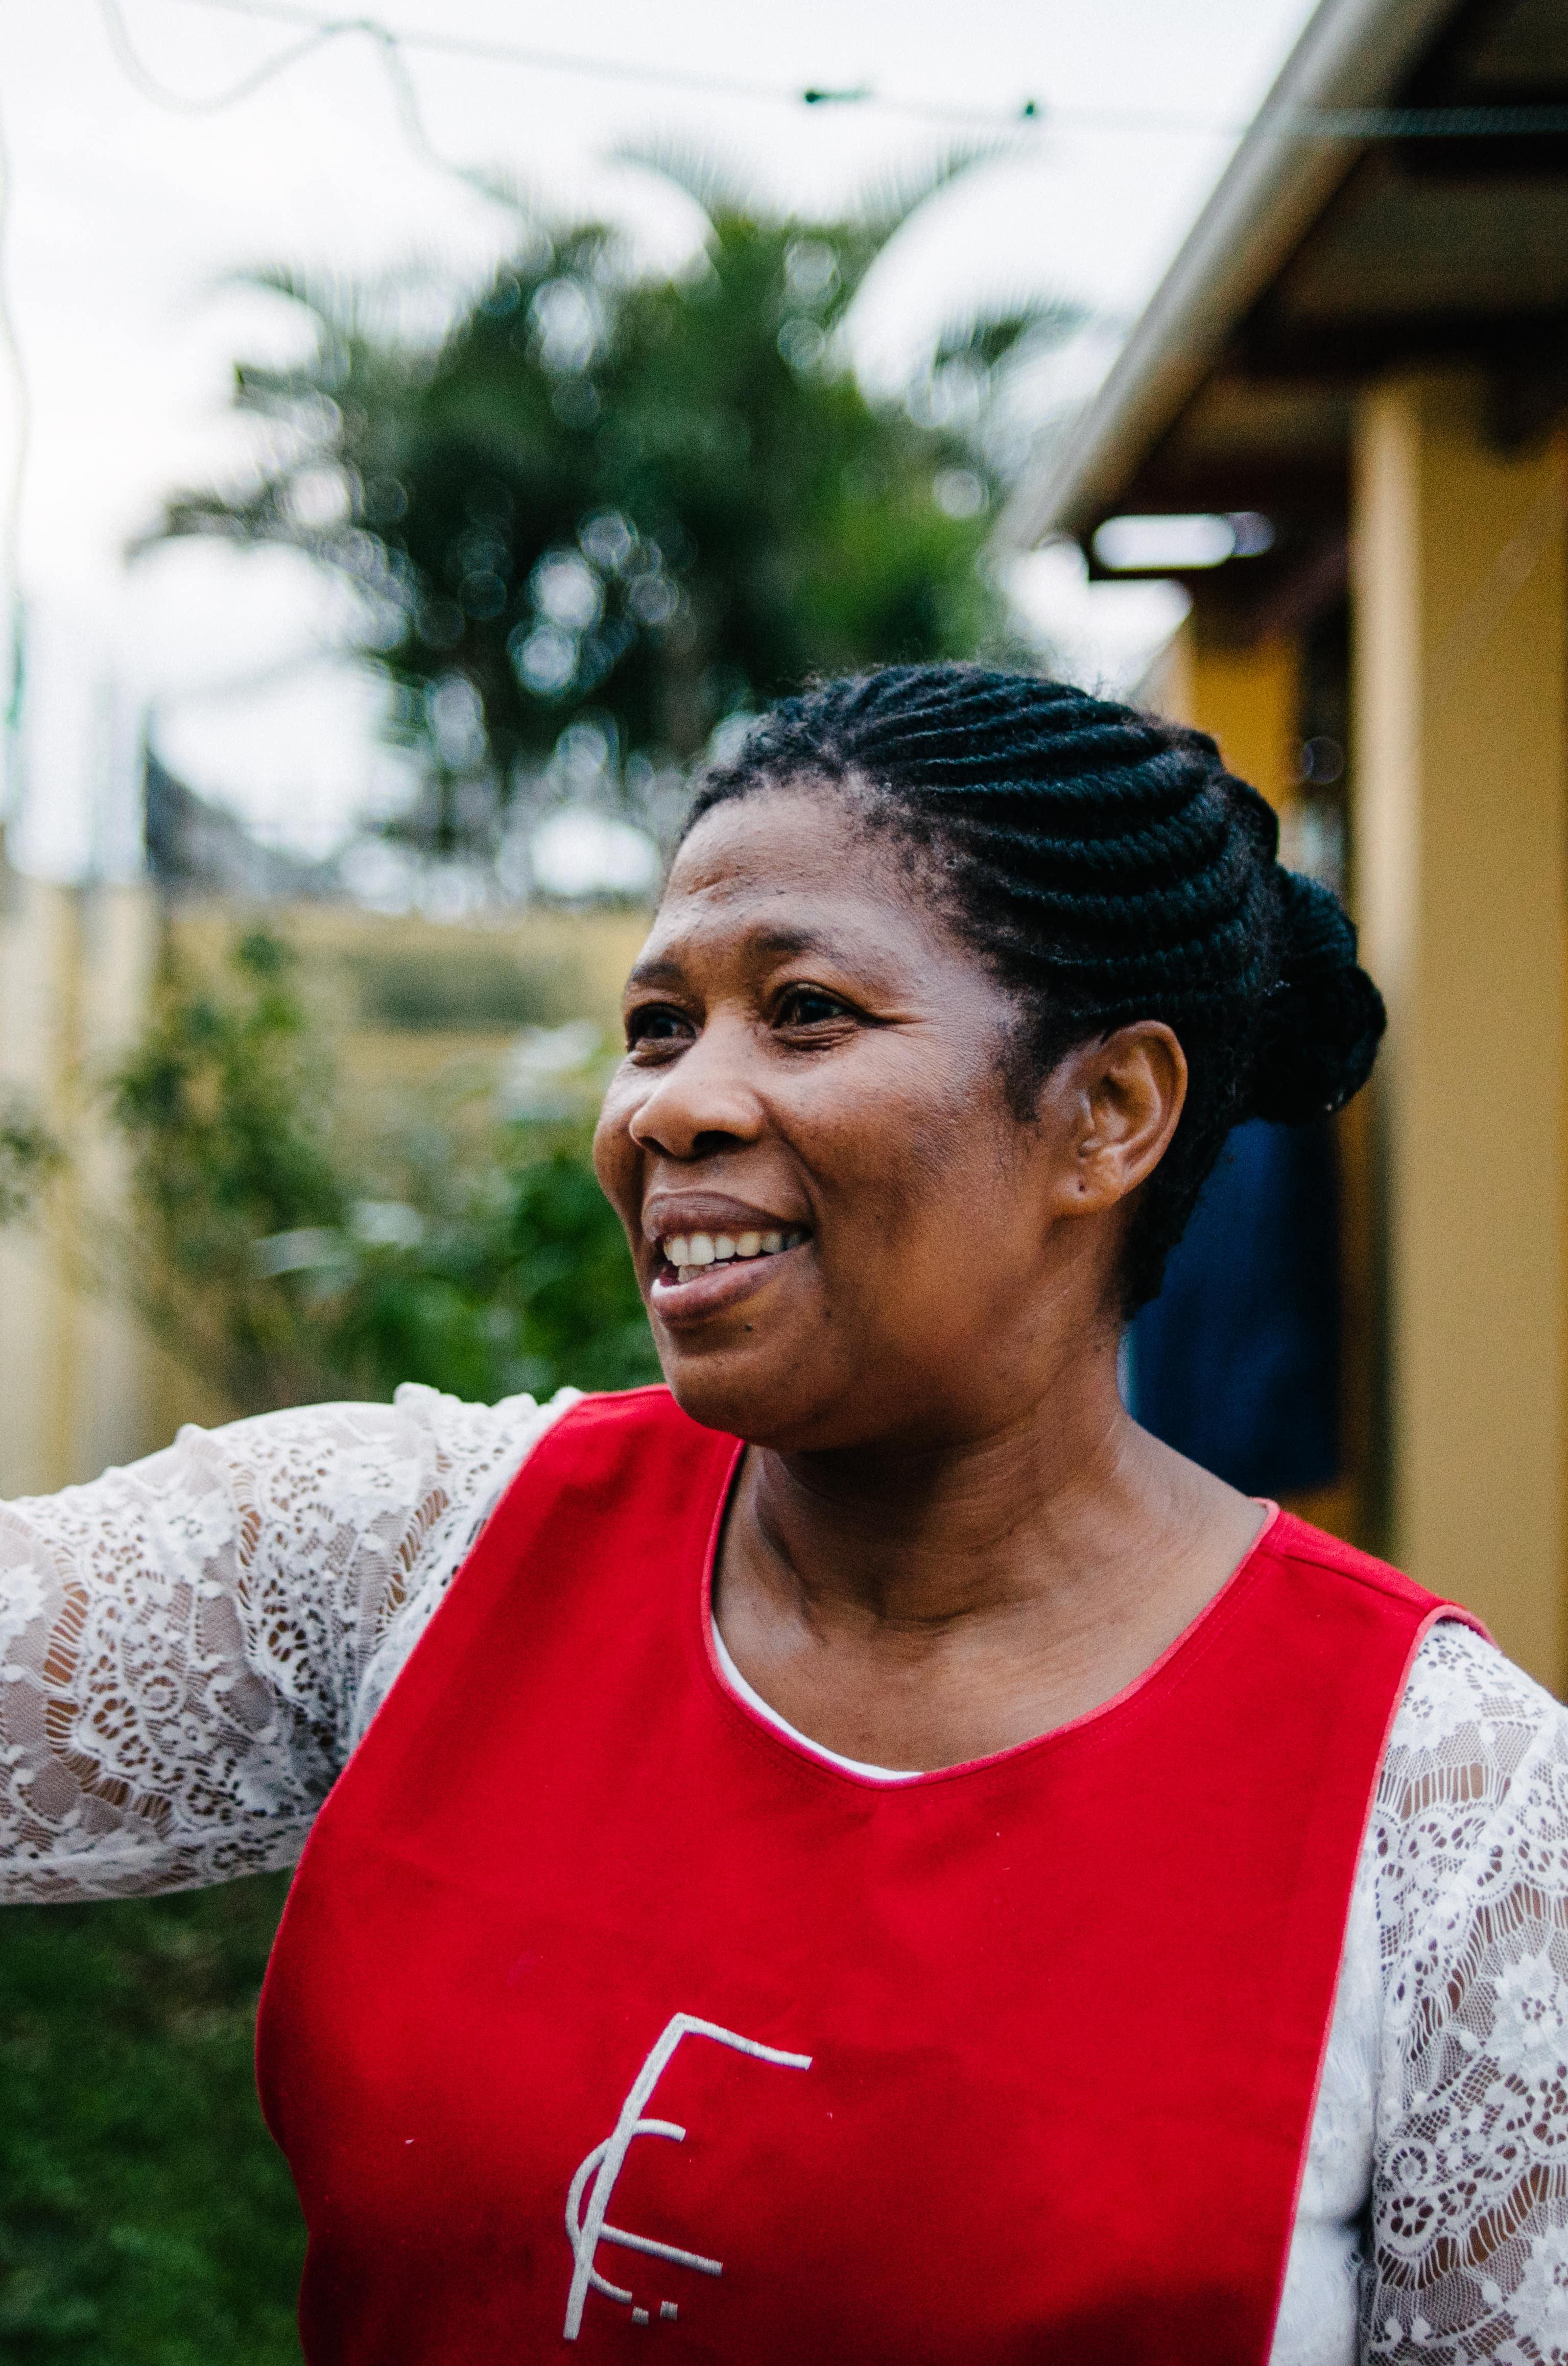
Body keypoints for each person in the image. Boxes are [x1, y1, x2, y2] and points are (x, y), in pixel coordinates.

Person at [2, 665, 1563, 2365]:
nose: (668, 1103)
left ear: (1108, 1113)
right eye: (657, 1026)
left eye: (806, 1011)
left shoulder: (1449, 1818)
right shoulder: (415, 1550)